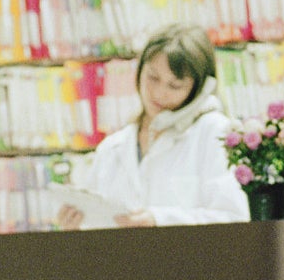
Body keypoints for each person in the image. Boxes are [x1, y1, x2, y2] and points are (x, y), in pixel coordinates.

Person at [55, 24, 248, 229]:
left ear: (199, 89)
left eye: (175, 86)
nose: (159, 92)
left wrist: (160, 221)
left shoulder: (214, 133)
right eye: (153, 77)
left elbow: (234, 220)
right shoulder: (112, 148)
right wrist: (75, 229)